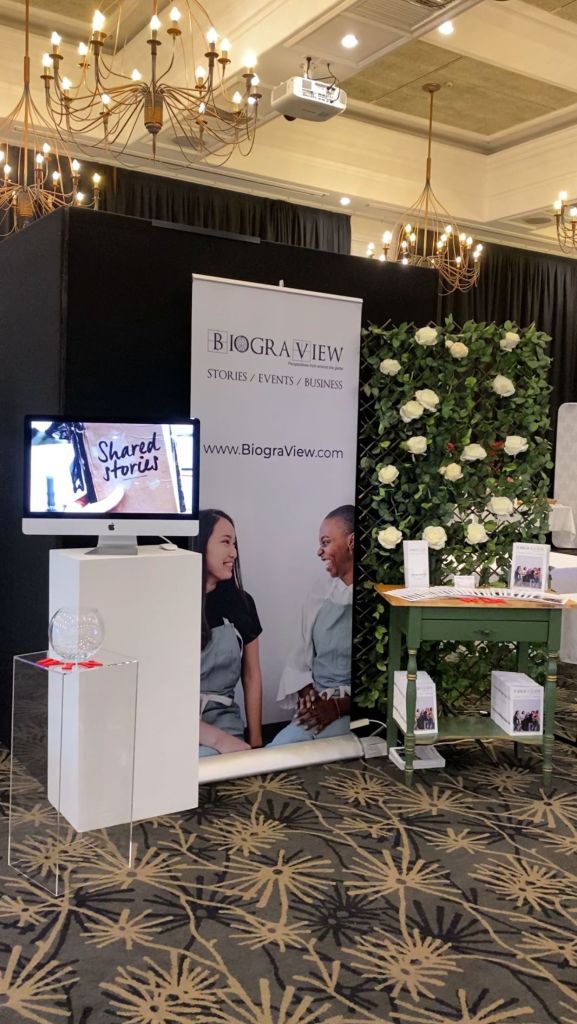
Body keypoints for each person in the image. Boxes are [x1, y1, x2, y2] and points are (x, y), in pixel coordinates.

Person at [269, 505, 354, 746]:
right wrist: (307, 692)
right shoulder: (320, 592)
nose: (319, 552)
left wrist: (337, 707)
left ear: (352, 542)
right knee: (277, 749)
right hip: (319, 706)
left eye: (326, 542)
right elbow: (299, 658)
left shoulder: (375, 597)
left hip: (354, 712)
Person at [194, 509, 263, 757]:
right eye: (225, 542)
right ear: (201, 543)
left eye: (235, 544)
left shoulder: (242, 603)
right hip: (177, 720)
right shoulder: (172, 601)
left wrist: (256, 742)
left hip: (226, 722)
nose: (233, 552)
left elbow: (252, 676)